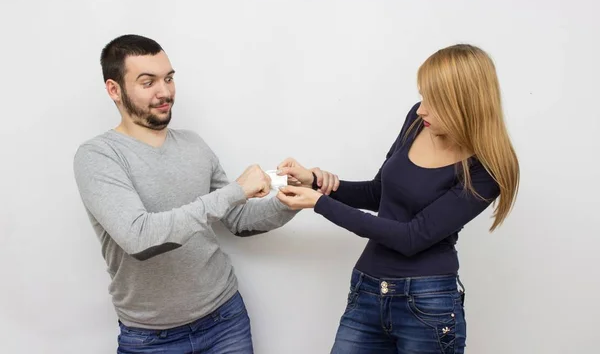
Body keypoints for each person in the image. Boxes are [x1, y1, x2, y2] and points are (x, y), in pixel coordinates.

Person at [276, 44, 520, 353]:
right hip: (366, 289)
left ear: (464, 103)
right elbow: (379, 193)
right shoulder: (418, 122)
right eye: (423, 96)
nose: (421, 109)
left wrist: (319, 203)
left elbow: (411, 237)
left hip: (427, 305)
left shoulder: (487, 169)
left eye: (434, 101)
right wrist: (317, 183)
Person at [73, 34, 299, 353]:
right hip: (151, 339)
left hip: (226, 321)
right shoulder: (98, 156)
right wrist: (235, 191)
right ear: (114, 89)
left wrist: (291, 199)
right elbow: (139, 238)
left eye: (168, 78)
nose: (164, 92)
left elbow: (236, 219)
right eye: (148, 82)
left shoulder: (193, 145)